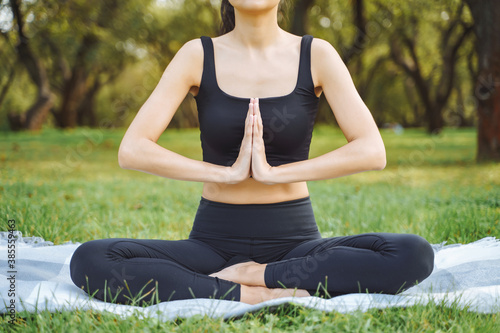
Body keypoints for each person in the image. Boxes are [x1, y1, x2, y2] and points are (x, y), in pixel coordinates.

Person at [70, 0, 434, 305]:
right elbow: (132, 149)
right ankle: (247, 294)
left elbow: (372, 150)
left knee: (414, 254)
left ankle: (257, 276)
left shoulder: (315, 54)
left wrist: (274, 174)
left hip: (296, 247)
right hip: (211, 246)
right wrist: (225, 173)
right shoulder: (198, 54)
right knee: (90, 259)